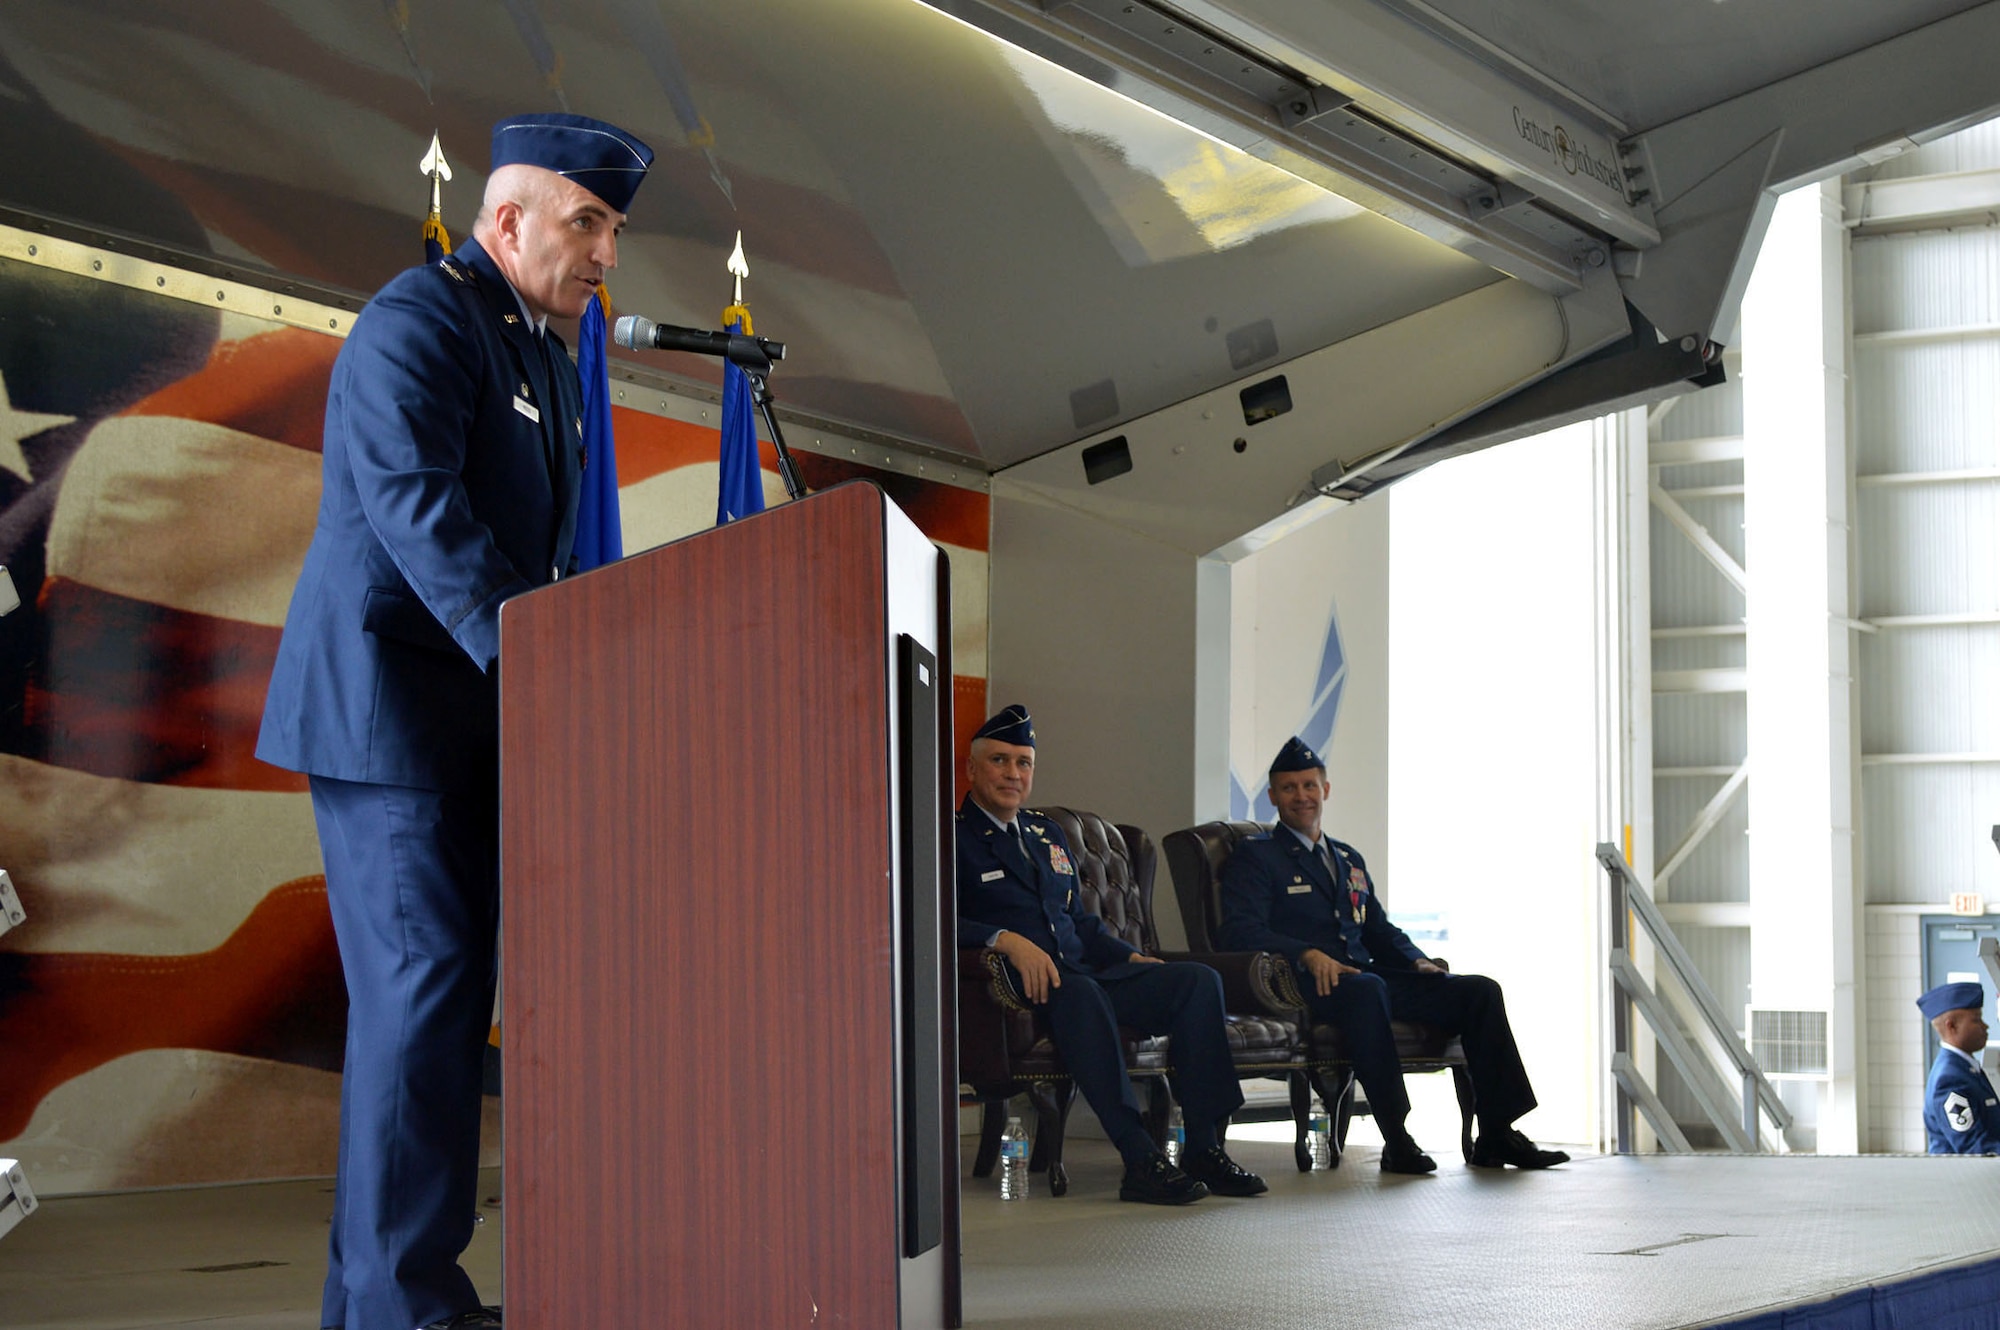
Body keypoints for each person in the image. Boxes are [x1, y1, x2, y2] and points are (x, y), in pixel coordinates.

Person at [257, 113, 652, 1330]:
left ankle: (369, 1301)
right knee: (422, 1008)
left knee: (426, 1016)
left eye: (614, 232)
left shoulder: (537, 355)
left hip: (472, 732)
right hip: (393, 727)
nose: (606, 257)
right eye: (587, 224)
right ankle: (408, 1308)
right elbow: (420, 512)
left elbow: (548, 555)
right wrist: (541, 672)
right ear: (507, 219)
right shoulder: (417, 323)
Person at [956, 704, 1266, 1204]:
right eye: (999, 761)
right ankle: (1139, 1156)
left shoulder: (1045, 835)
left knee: (1195, 982)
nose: (1013, 773)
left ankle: (1204, 1148)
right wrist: (1006, 940)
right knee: (1078, 992)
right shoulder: (953, 837)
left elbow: (1079, 921)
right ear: (971, 769)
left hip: (1083, 975)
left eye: (1023, 762)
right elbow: (929, 919)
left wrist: (1130, 956)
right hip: (1022, 989)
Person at [1218, 736, 1567, 1174]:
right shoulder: (1257, 857)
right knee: (1367, 990)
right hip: (1305, 984)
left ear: (1325, 789)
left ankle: (1497, 1132)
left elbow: (1378, 929)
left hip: (1367, 976)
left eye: (1309, 785)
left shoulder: (1346, 857)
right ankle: (1397, 1138)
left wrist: (1417, 961)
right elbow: (1239, 929)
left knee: (1478, 991)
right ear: (1272, 796)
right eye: (1289, 788)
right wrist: (1306, 953)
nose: (1300, 797)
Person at [1918, 981, 2000, 1154]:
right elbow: (1973, 1148)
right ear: (1951, 1026)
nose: (1985, 1026)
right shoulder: (1949, 1079)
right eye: (1977, 1019)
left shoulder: (1966, 1068)